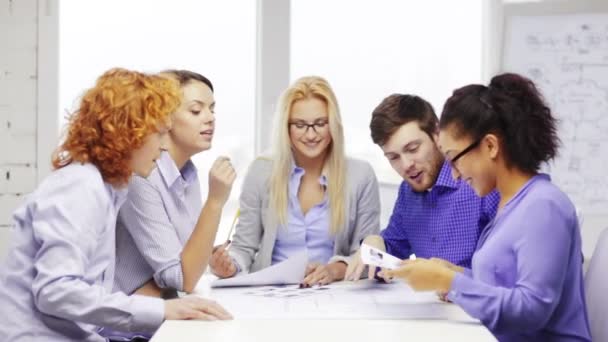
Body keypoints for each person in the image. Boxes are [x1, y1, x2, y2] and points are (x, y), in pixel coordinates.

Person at [0, 68, 231, 342]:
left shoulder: (107, 189)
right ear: (127, 135)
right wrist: (162, 309)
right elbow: (55, 292)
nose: (162, 146)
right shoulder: (81, 187)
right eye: (158, 134)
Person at [383, 73, 591, 341]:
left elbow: (532, 309)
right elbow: (503, 285)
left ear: (490, 146)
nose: (455, 175)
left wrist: (449, 282)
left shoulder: (544, 206)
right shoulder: (511, 206)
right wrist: (453, 274)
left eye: (454, 159)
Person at [209, 76, 380, 286]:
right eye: (300, 125)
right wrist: (228, 265)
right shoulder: (261, 171)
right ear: (286, 127)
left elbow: (368, 255)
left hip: (333, 294)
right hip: (269, 294)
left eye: (320, 123)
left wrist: (333, 271)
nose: (310, 134)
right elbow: (244, 247)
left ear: (333, 125)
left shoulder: (360, 175)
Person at [345, 94, 499, 281]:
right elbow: (393, 250)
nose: (406, 164)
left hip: (473, 306)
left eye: (412, 149)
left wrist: (452, 278)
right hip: (428, 306)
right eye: (393, 157)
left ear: (436, 134)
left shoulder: (478, 183)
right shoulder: (407, 192)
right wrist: (376, 246)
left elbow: (504, 277)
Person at [114, 70, 235, 298]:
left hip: (166, 309)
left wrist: (210, 259)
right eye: (196, 110)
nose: (210, 118)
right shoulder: (142, 177)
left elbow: (183, 256)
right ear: (164, 118)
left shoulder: (188, 174)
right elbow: (181, 279)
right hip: (131, 326)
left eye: (212, 109)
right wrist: (215, 202)